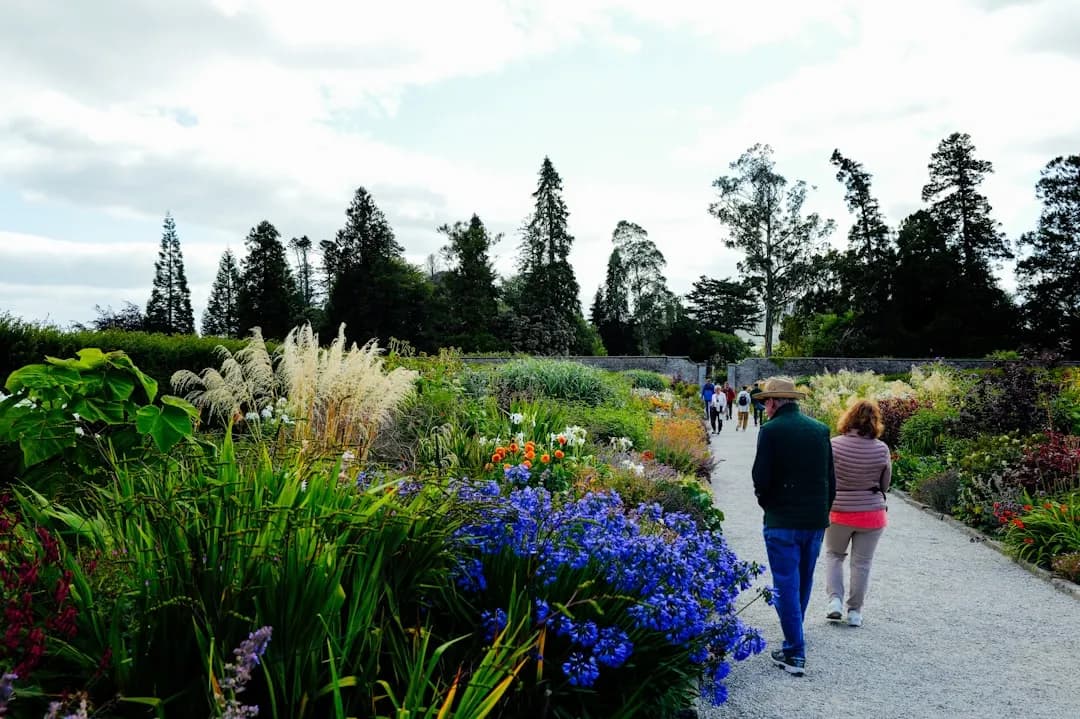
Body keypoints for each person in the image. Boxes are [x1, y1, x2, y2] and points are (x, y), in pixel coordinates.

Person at [751, 376, 835, 676]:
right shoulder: (820, 430)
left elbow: (761, 477)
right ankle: (793, 638)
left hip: (782, 520)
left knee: (785, 583)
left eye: (765, 402)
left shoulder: (771, 431)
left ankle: (795, 651)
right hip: (814, 520)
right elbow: (830, 480)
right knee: (803, 579)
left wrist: (769, 505)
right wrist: (821, 510)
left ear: (773, 402)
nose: (765, 407)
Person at [824, 399, 891, 628]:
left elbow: (826, 479)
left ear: (848, 417)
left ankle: (834, 601)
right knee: (862, 564)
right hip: (871, 513)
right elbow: (885, 485)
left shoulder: (833, 445)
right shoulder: (881, 449)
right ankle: (854, 612)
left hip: (838, 510)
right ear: (875, 421)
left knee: (834, 555)